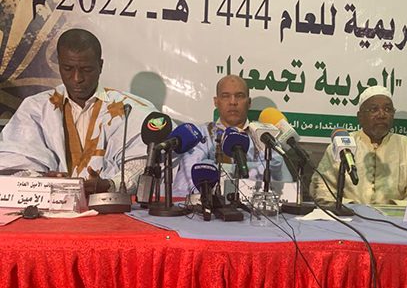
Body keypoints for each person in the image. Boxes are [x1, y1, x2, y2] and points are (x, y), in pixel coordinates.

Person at [0, 28, 154, 194]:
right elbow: (14, 164)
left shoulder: (131, 109)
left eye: (86, 70)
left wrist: (111, 185)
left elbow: (143, 165)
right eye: (68, 69)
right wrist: (41, 180)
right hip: (50, 205)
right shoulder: (35, 108)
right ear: (59, 65)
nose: (77, 78)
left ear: (100, 66)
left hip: (110, 205)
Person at [310, 85, 407, 206]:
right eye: (374, 110)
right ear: (360, 117)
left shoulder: (405, 145)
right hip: (349, 215)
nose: (382, 115)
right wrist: (350, 207)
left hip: (394, 217)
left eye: (388, 109)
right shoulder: (342, 144)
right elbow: (320, 188)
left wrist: (394, 208)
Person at [173, 74, 292, 196]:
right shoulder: (200, 134)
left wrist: (217, 169)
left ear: (249, 102)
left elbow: (280, 181)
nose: (233, 102)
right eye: (226, 96)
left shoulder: (264, 136)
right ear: (216, 102)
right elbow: (187, 182)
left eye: (239, 96)